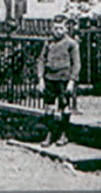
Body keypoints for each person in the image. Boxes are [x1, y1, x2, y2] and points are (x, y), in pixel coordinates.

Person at [36, 14, 81, 147]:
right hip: (50, 78)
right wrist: (40, 78)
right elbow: (41, 60)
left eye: (60, 28)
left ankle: (63, 134)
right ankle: (49, 135)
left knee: (64, 107)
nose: (57, 31)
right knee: (49, 108)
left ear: (66, 28)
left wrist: (72, 81)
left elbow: (76, 64)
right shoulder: (48, 43)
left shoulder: (71, 44)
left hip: (64, 79)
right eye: (55, 28)